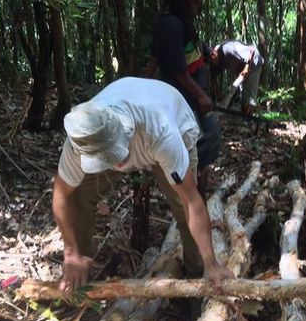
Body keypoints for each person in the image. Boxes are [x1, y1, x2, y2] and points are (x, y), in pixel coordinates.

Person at [52, 77, 233, 291]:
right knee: (79, 196)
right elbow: (61, 195)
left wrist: (212, 263)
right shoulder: (80, 143)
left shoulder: (160, 132)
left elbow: (192, 201)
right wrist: (71, 252)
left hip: (171, 126)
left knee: (183, 208)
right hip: (132, 132)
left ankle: (196, 274)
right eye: (108, 158)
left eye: (117, 152)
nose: (119, 163)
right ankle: (79, 278)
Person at [145, 0, 220, 184]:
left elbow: (158, 57)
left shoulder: (178, 22)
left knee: (205, 137)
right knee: (208, 136)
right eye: (197, 0)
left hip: (189, 99)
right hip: (184, 101)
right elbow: (178, 71)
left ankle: (191, 180)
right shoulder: (171, 25)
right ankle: (187, 184)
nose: (199, 5)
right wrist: (200, 96)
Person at [209, 41, 263, 114]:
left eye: (211, 61)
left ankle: (250, 120)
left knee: (249, 99)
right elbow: (213, 77)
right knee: (243, 97)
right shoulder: (217, 60)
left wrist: (246, 68)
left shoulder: (228, 49)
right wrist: (219, 95)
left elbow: (251, 50)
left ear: (213, 54)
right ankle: (246, 118)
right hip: (242, 69)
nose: (212, 64)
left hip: (253, 63)